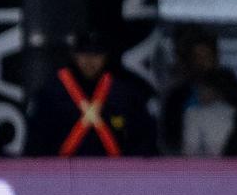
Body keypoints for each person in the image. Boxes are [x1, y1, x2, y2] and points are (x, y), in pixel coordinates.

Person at [25, 30, 158, 157]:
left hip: (113, 172)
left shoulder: (123, 92)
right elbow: (37, 139)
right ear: (74, 55)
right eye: (83, 54)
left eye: (96, 54)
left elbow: (143, 137)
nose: (89, 61)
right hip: (63, 172)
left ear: (106, 56)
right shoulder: (53, 91)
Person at [161, 25, 237, 154]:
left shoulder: (235, 90)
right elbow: (171, 139)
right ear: (189, 60)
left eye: (207, 56)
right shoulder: (177, 97)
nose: (202, 63)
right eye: (197, 57)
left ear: (216, 58)